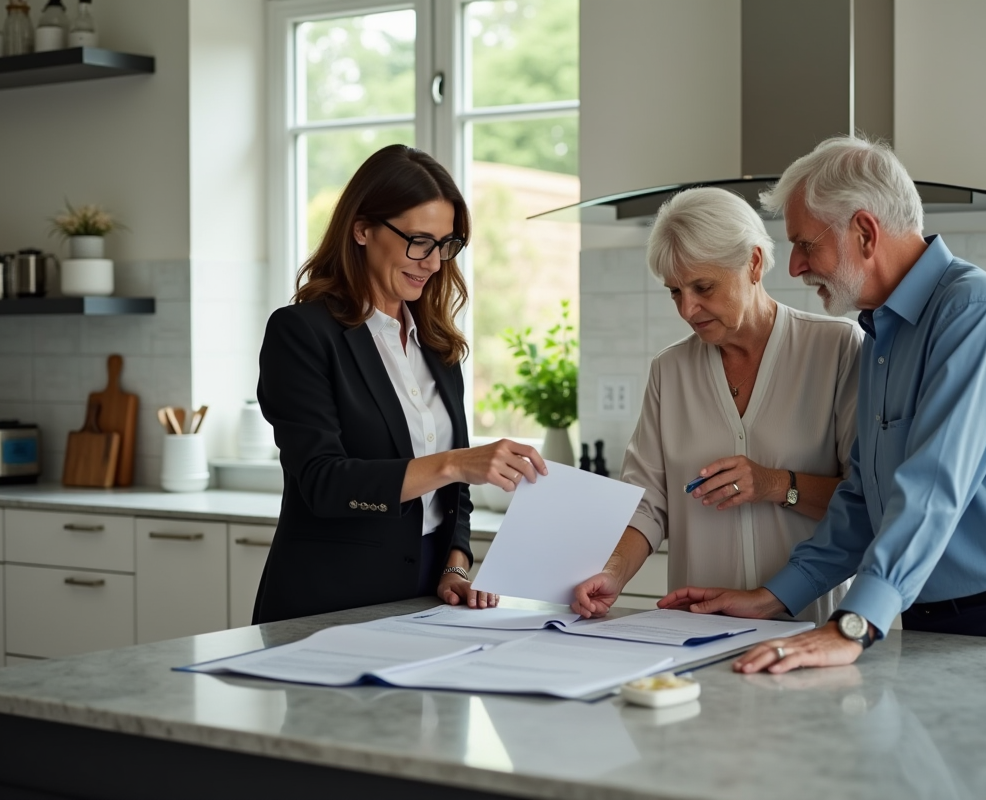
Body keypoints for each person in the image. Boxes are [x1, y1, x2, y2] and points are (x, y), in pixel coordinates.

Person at [659, 136, 986, 671]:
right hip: (930, 618)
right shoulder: (882, 335)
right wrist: (774, 597)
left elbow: (934, 486)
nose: (794, 267)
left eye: (805, 245)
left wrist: (853, 624)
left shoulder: (975, 314)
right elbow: (865, 500)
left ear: (864, 232)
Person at [253, 144, 547, 624]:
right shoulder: (301, 332)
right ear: (362, 229)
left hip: (427, 604)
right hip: (328, 607)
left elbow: (456, 496)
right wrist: (453, 463)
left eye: (446, 244)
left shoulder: (437, 345)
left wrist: (456, 567)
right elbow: (323, 482)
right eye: (418, 240)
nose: (433, 262)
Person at [571, 187, 862, 624]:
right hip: (693, 627)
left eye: (703, 287)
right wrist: (612, 573)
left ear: (754, 263)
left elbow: (864, 498)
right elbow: (647, 507)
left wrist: (773, 483)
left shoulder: (837, 349)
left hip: (808, 626)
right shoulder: (670, 371)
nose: (688, 308)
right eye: (675, 292)